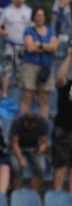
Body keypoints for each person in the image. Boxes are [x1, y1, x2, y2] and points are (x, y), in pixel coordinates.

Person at [21, 8, 58, 119]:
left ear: (45, 17)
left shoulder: (51, 30)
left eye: (41, 15)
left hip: (46, 66)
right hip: (30, 65)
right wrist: (46, 47)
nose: (39, 18)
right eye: (37, 15)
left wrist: (39, 45)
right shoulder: (29, 30)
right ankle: (22, 123)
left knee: (44, 98)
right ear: (34, 17)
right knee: (28, 96)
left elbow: (54, 48)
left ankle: (44, 128)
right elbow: (30, 48)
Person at [0, 0, 31, 98]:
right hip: (9, 44)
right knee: (7, 69)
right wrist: (2, 32)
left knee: (21, 70)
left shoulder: (29, 11)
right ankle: (5, 94)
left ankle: (20, 94)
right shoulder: (7, 10)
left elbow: (33, 27)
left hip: (23, 45)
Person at [10, 111, 49, 191]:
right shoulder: (17, 122)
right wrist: (21, 159)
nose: (30, 127)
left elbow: (44, 142)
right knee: (15, 167)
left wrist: (40, 149)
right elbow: (14, 143)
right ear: (24, 121)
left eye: (32, 126)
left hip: (34, 146)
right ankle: (18, 191)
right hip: (18, 146)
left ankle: (33, 191)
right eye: (28, 125)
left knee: (41, 168)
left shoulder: (43, 123)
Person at [52, 50, 72, 192]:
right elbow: (60, 78)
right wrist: (69, 56)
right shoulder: (68, 86)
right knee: (61, 165)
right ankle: (57, 196)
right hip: (64, 131)